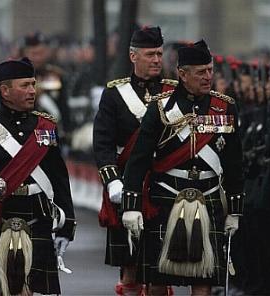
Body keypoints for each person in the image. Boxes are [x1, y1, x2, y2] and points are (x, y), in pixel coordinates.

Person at [120, 39, 244, 295]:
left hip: (208, 196)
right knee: (156, 281)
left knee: (204, 280)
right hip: (166, 197)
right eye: (201, 72)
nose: (208, 76)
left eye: (210, 70)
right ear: (182, 74)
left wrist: (234, 209)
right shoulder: (161, 107)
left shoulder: (225, 106)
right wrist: (131, 206)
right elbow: (139, 159)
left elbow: (234, 162)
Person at [0, 57, 76, 295]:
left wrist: (66, 226)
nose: (33, 91)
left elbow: (60, 179)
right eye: (25, 85)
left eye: (33, 84)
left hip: (36, 217)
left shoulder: (45, 127)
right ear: (5, 90)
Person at [93, 26, 178, 295]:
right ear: (133, 56)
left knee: (162, 271)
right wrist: (112, 181)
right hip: (129, 187)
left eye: (159, 54)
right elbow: (103, 143)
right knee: (130, 268)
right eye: (150, 54)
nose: (156, 60)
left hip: (166, 188)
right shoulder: (115, 95)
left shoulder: (175, 93)